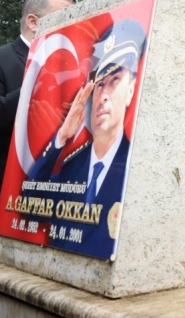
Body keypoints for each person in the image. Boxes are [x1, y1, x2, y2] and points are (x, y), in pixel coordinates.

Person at [0, 0, 75, 252]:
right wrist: (38, 82)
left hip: (55, 211)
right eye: (65, 16)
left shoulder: (74, 67)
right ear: (33, 22)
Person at [27, 20, 146, 260]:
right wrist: (61, 137)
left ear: (131, 90)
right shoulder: (73, 165)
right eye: (99, 84)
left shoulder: (138, 163)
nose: (103, 96)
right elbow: (31, 204)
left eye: (114, 81)